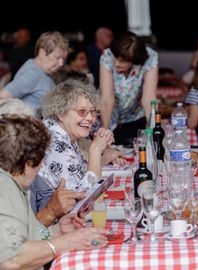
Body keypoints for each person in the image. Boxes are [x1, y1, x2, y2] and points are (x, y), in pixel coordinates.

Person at [0, 115, 108, 269]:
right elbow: (11, 259)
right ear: (29, 164)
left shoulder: (11, 184)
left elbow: (16, 237)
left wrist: (55, 232)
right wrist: (68, 242)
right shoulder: (4, 187)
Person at [31, 79, 115, 213]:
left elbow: (80, 176)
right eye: (82, 111)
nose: (90, 118)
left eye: (93, 112)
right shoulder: (53, 140)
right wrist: (95, 150)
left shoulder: (65, 132)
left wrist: (99, 148)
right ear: (61, 113)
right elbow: (81, 200)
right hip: (51, 220)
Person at [100, 31, 158, 146]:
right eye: (116, 58)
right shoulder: (107, 56)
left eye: (122, 60)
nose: (116, 63)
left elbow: (148, 99)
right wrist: (104, 135)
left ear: (135, 61)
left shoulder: (150, 58)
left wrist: (155, 131)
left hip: (135, 117)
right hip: (110, 117)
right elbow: (107, 99)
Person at [0, 31, 70, 109]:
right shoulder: (33, 73)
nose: (61, 63)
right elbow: (3, 95)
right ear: (42, 53)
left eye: (63, 59)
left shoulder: (43, 71)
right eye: (57, 57)